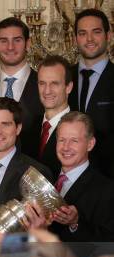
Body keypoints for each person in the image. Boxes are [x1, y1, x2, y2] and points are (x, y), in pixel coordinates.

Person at [50, 111, 114, 242]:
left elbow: (107, 244)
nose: (66, 147)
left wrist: (75, 223)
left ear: (90, 144)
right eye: (62, 140)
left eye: (74, 140)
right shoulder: (47, 175)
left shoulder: (107, 190)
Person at [0, 17, 43, 147]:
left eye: (17, 40)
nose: (10, 47)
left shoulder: (44, 86)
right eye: (4, 41)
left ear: (28, 44)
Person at [69, 8, 114, 178]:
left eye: (96, 32)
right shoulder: (63, 77)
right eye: (82, 33)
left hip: (108, 179)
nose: (89, 39)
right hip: (67, 181)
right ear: (75, 39)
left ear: (108, 36)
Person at [24, 55, 73, 176]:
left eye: (54, 83)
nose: (47, 91)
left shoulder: (82, 129)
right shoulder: (29, 127)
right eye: (42, 83)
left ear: (68, 87)